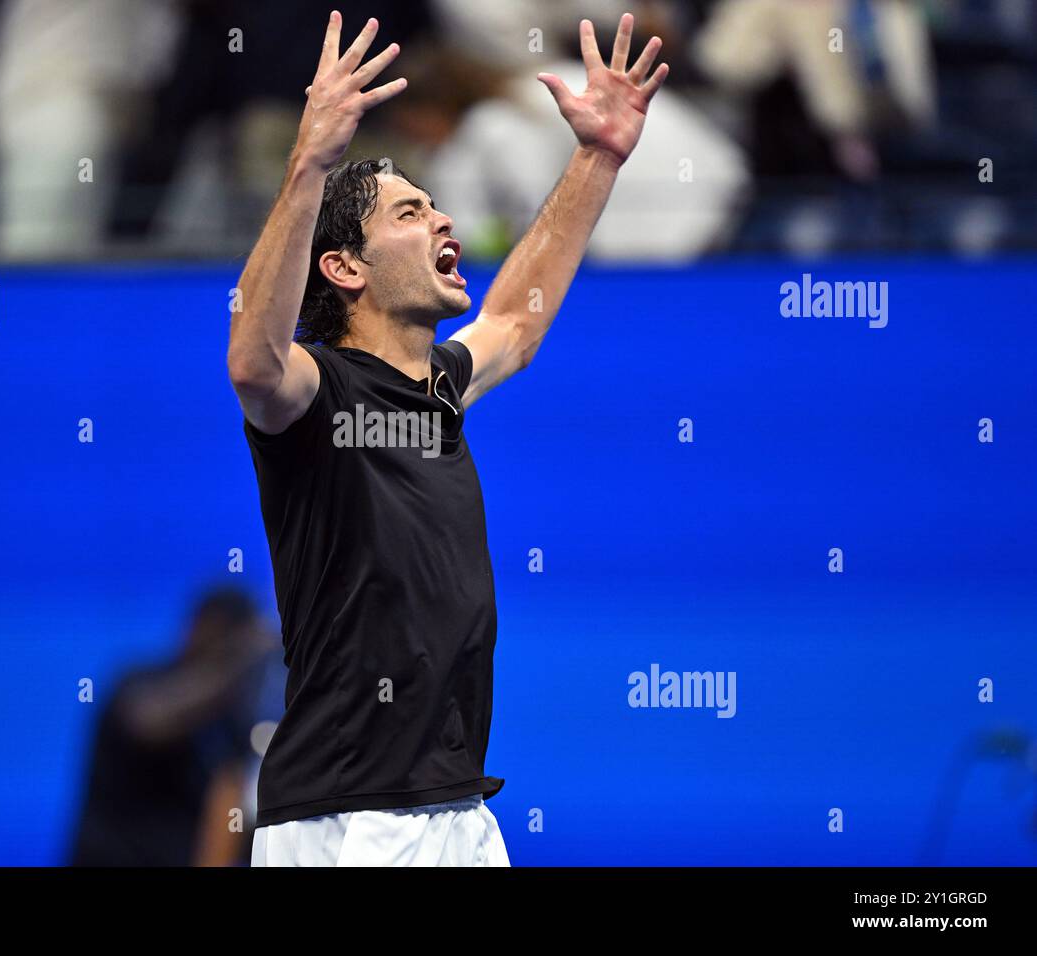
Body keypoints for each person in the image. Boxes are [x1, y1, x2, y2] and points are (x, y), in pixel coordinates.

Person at [229, 10, 667, 866]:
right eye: (407, 213)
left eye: (435, 208)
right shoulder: (317, 392)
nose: (441, 222)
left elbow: (516, 321)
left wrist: (600, 156)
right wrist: (311, 161)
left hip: (457, 808)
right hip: (348, 818)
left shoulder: (437, 390)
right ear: (345, 268)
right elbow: (253, 362)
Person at [70, 588, 275, 867]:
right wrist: (241, 663)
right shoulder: (140, 684)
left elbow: (231, 807)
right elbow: (148, 722)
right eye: (228, 646)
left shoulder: (232, 719)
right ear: (200, 628)